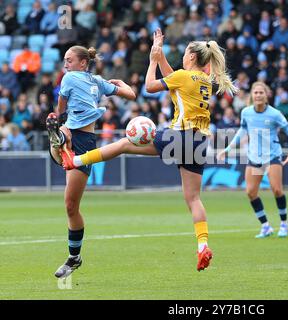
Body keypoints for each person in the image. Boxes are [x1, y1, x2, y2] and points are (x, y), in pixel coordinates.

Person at [60, 29, 238, 272]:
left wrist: (153, 61)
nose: (183, 57)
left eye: (186, 53)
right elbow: (174, 77)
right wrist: (159, 51)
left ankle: (77, 160)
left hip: (179, 136)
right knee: (194, 198)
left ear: (192, 58)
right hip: (199, 142)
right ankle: (202, 246)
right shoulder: (204, 80)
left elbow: (150, 86)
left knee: (124, 144)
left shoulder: (184, 76)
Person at [45, 45, 136, 278]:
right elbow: (131, 94)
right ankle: (61, 142)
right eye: (65, 60)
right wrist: (121, 84)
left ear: (83, 62)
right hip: (73, 129)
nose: (66, 64)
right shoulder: (91, 80)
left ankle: (74, 258)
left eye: (70, 60)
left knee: (70, 205)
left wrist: (61, 115)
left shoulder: (91, 80)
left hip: (84, 141)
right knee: (63, 129)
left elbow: (61, 106)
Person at [218, 82, 288, 238]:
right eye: (256, 92)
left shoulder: (275, 114)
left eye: (261, 92)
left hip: (272, 156)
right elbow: (242, 131)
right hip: (255, 158)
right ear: (252, 96)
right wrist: (228, 149)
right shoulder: (246, 112)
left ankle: (283, 224)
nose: (258, 95)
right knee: (251, 192)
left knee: (277, 190)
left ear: (267, 95)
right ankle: (265, 226)